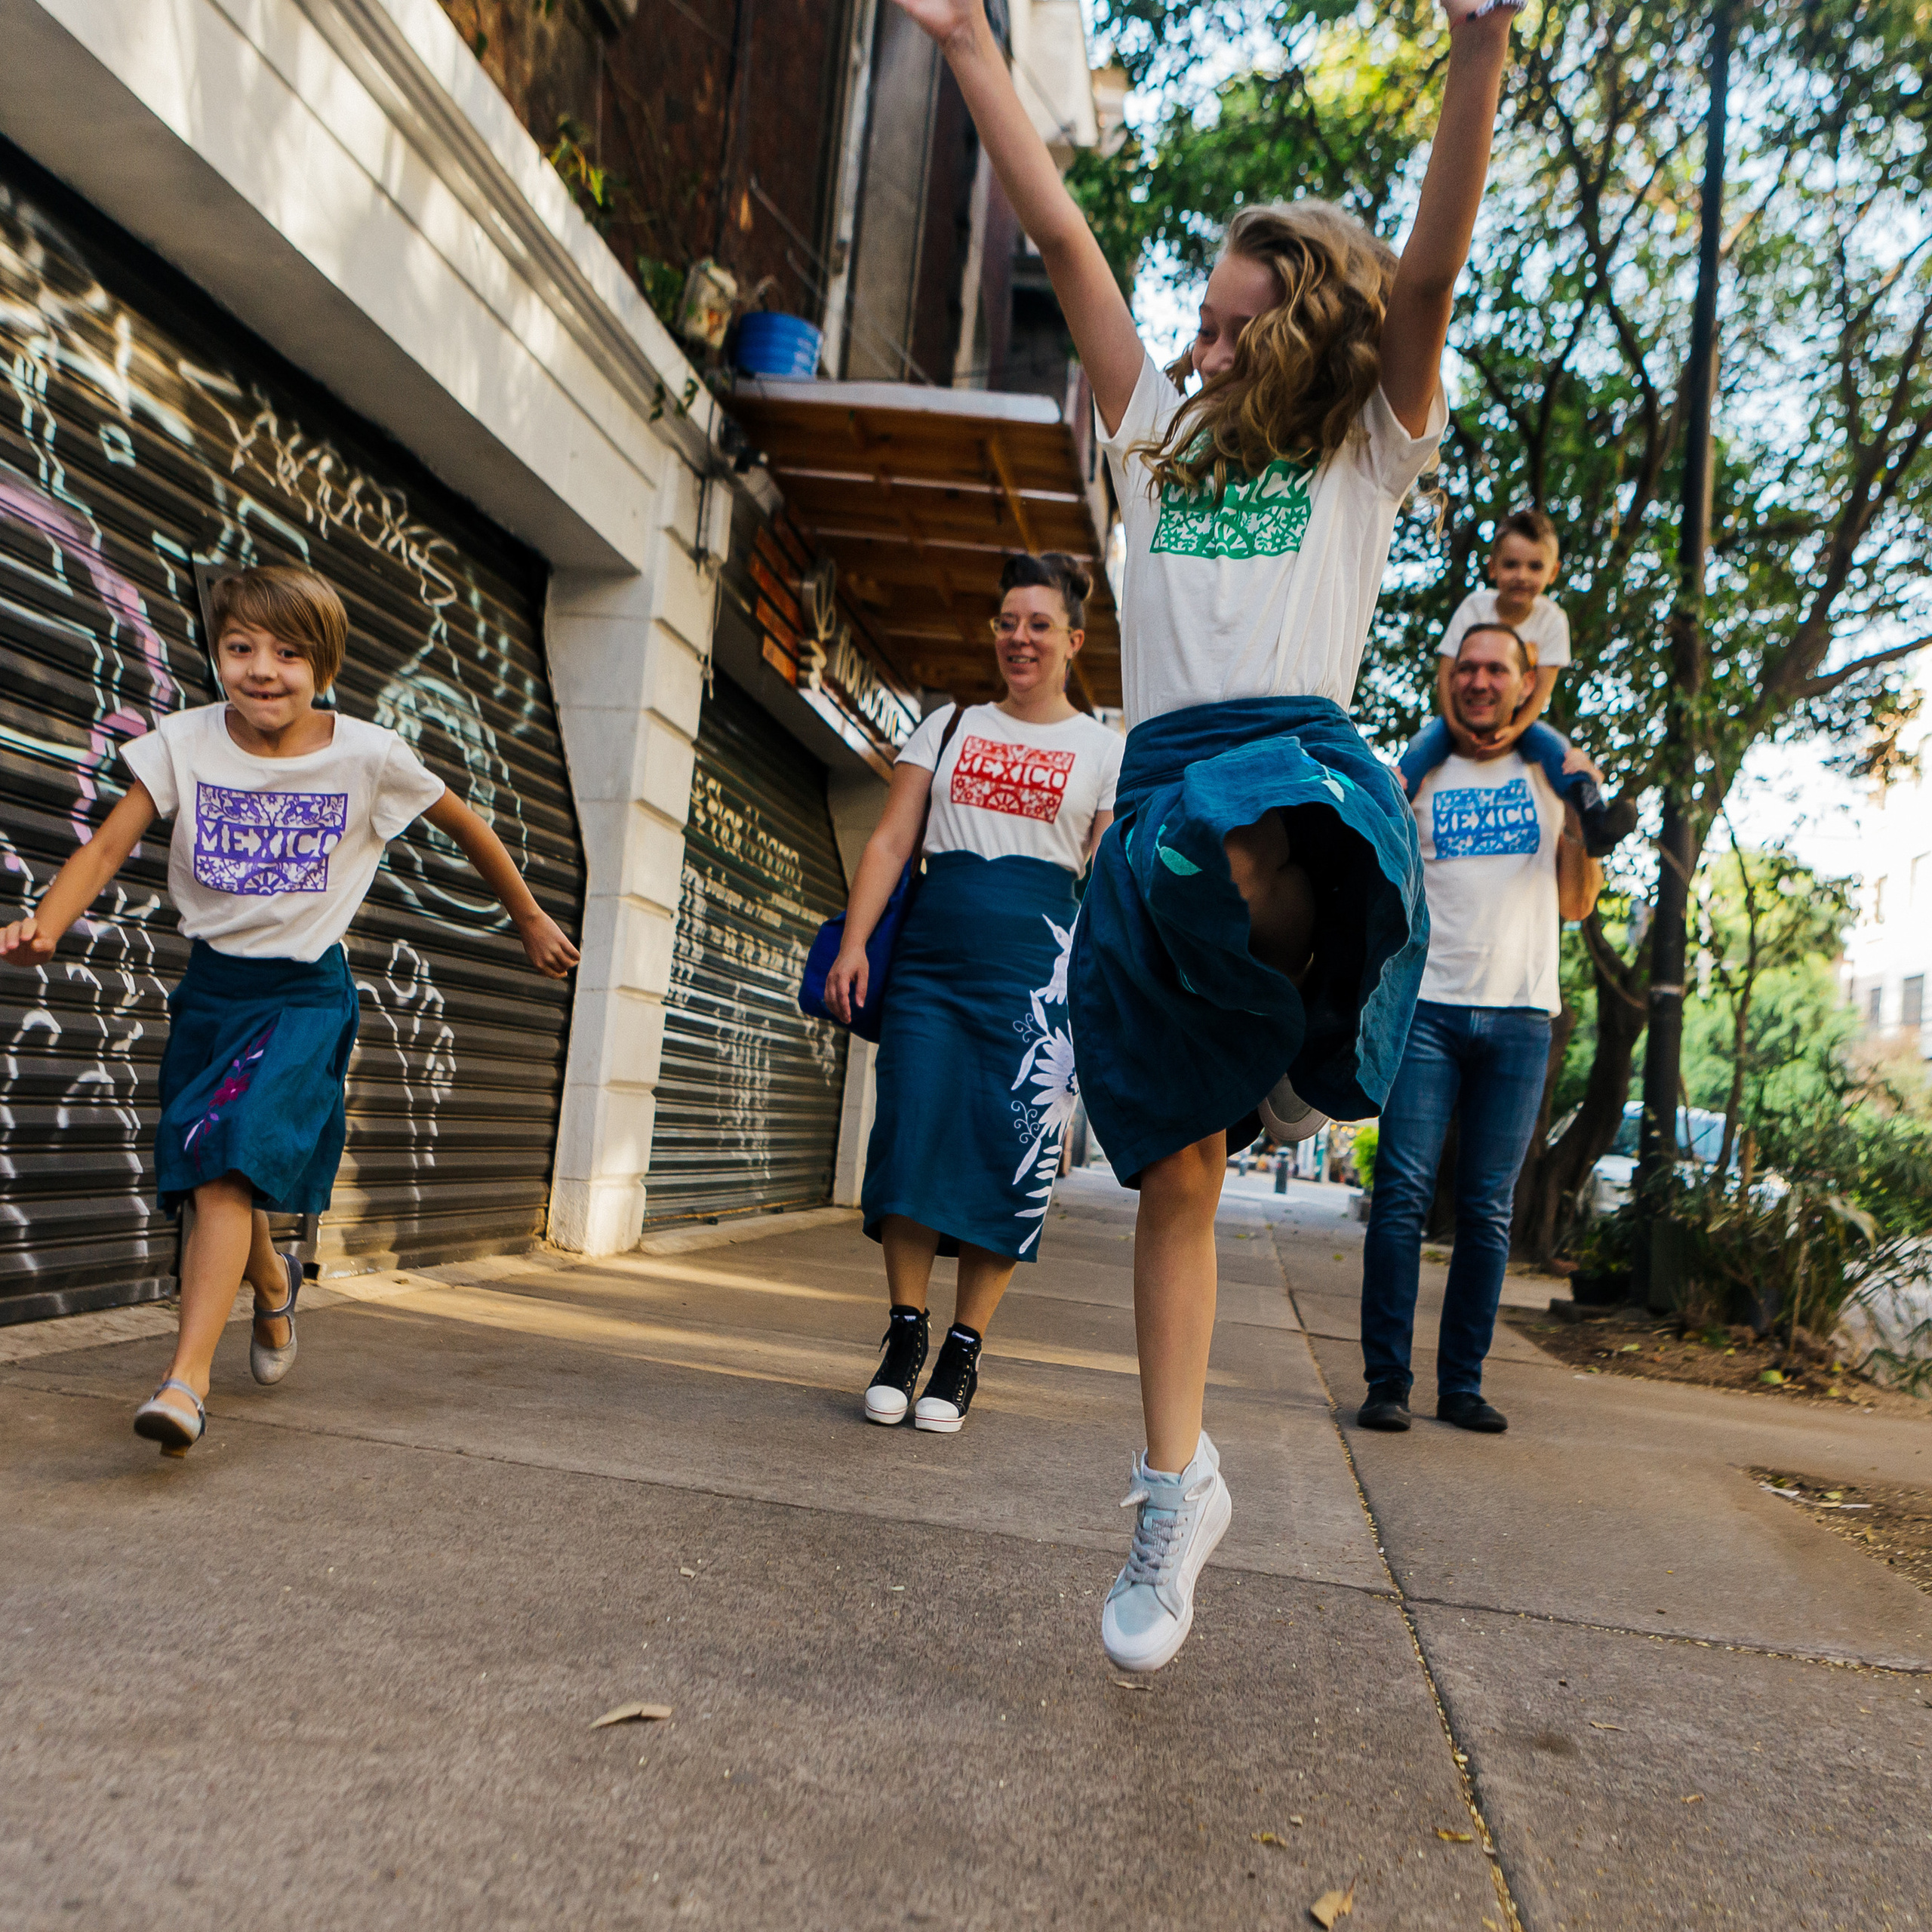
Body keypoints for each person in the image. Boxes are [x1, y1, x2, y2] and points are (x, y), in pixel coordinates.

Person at [880, 0, 1520, 1671]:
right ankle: (1175, 1488)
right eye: (1201, 319)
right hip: (1162, 790)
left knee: (1248, 832)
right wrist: (961, 48)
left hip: (1291, 763)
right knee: (1170, 1173)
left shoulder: (1360, 458)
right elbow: (1062, 235)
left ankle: (1308, 1046)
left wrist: (1474, 50)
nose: (1202, 342)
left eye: (1235, 324)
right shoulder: (1152, 442)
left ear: (1302, 331)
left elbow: (1430, 280)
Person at [0, 565, 578, 1454]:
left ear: (324, 664)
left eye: (288, 653)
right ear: (218, 655)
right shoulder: (185, 742)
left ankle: (185, 1382)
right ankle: (272, 1285)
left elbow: (467, 825)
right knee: (210, 1173)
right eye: (240, 649)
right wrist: (47, 921)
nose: (262, 670)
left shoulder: (369, 756)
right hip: (213, 993)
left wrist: (531, 917)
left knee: (227, 1167)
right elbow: (110, 843)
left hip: (304, 994)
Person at [826, 554, 1122, 1434]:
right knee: (910, 1132)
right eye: (1006, 622)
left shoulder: (1106, 751)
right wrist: (854, 945)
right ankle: (904, 1335)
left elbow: (1104, 884)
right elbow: (889, 842)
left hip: (1038, 980)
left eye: (1037, 624)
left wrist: (1104, 1004)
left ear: (1071, 640)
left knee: (1009, 1152)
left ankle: (963, 1350)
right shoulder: (948, 725)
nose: (1018, 638)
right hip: (930, 965)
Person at [1358, 622, 1604, 1434]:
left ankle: (1460, 1384)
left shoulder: (1549, 771)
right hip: (1426, 1009)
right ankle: (1386, 1382)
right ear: (1449, 679)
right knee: (1399, 1199)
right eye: (1465, 666)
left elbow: (1576, 902)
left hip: (1520, 1015)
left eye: (1495, 667)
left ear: (1524, 680)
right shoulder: (1419, 774)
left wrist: (1583, 821)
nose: (1478, 679)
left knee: (1487, 1210)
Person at [1395, 509, 1621, 854]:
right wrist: (1454, 726)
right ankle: (1387, 810)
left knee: (1561, 753)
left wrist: (1515, 732)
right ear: (1493, 568)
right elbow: (1447, 673)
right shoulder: (1475, 607)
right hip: (1460, 717)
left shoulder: (1552, 621)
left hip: (1521, 722)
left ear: (1553, 572)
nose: (1521, 576)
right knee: (1420, 749)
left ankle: (1594, 817)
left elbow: (1541, 691)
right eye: (1511, 565)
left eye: (1534, 567)